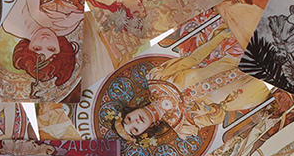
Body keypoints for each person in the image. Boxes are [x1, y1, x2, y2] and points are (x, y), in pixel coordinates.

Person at [110, 29, 270, 143]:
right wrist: (212, 111)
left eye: (129, 118)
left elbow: (194, 59)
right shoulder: (183, 127)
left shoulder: (158, 78)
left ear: (131, 110)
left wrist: (220, 37)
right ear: (144, 133)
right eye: (135, 129)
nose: (136, 121)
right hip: (245, 93)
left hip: (233, 61)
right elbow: (217, 117)